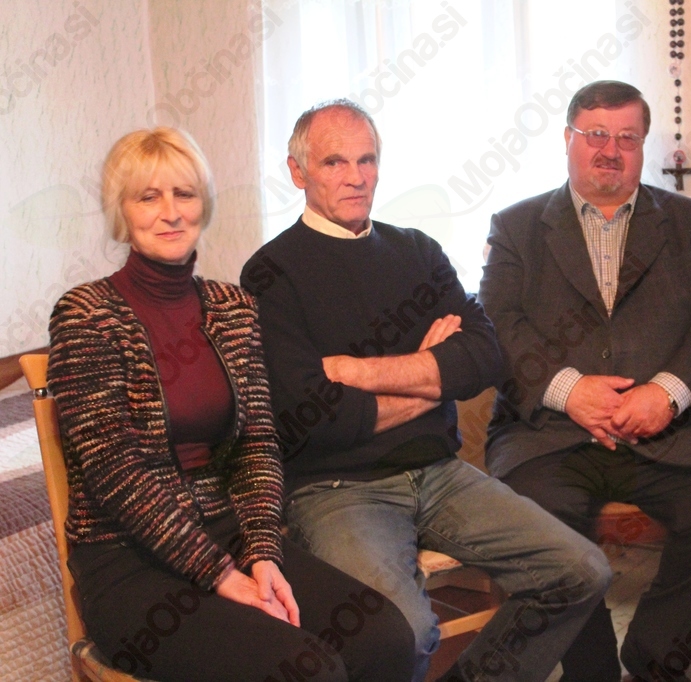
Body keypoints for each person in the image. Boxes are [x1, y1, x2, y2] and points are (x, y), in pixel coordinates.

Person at [241, 100, 612, 682]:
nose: (356, 177)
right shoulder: (270, 272)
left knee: (582, 570)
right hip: (338, 488)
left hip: (440, 472)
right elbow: (316, 418)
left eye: (367, 160)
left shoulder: (418, 250)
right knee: (404, 633)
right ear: (298, 172)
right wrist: (435, 376)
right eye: (335, 162)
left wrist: (356, 372)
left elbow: (484, 357)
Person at [47, 128, 415, 682]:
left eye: (185, 194)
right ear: (121, 210)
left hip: (232, 534)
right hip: (128, 561)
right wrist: (220, 575)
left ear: (204, 203)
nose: (171, 212)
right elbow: (114, 471)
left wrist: (263, 553)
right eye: (148, 197)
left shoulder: (234, 308)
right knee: (307, 670)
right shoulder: (85, 315)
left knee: (384, 638)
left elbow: (258, 444)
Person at [478, 80, 691, 682]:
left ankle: (654, 654)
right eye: (596, 135)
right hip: (551, 435)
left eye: (627, 138)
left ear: (641, 146)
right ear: (567, 139)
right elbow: (498, 324)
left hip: (670, 432)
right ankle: (593, 671)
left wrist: (668, 392)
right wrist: (569, 390)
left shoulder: (690, 223)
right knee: (540, 524)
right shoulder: (517, 226)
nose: (610, 150)